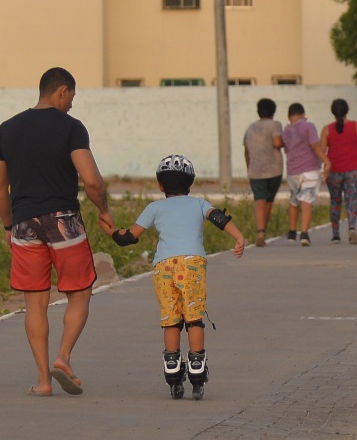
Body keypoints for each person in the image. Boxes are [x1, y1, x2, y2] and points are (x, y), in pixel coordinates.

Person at [0, 66, 115, 397]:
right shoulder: (71, 127)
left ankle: (43, 381)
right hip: (64, 221)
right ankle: (63, 357)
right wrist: (104, 210)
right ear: (62, 91)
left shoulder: (7, 129)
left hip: (23, 223)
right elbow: (92, 180)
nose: (72, 104)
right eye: (72, 96)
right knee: (80, 292)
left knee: (35, 304)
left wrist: (8, 225)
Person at [104, 153, 246, 398]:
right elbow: (219, 218)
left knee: (171, 319)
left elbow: (128, 238)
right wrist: (239, 237)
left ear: (160, 186)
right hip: (193, 265)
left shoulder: (154, 208)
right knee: (194, 317)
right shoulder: (199, 203)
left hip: (164, 267)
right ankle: (197, 367)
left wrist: (111, 232)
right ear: (190, 184)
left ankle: (172, 368)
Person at [242, 99, 285, 247]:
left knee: (259, 199)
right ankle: (262, 230)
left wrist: (249, 167)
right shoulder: (275, 124)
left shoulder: (250, 127)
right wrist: (286, 142)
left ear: (258, 111)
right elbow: (277, 142)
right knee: (269, 200)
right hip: (274, 169)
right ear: (273, 111)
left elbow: (246, 150)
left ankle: (260, 231)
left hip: (255, 170)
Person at [280, 102, 324, 245]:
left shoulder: (286, 131)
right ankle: (304, 233)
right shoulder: (309, 126)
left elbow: (287, 150)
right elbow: (314, 145)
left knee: (294, 200)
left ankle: (292, 232)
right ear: (303, 114)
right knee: (306, 200)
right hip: (310, 169)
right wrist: (326, 161)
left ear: (289, 117)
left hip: (293, 171)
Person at [324, 98, 357, 243]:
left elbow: (322, 151)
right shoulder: (356, 126)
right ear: (347, 110)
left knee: (335, 201)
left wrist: (325, 168)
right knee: (351, 199)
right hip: (353, 169)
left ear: (333, 112)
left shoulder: (327, 129)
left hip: (334, 171)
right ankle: (352, 228)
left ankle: (336, 234)